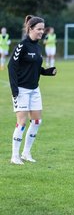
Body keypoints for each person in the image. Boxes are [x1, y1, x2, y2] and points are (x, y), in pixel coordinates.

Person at [8, 15, 57, 165]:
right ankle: (15, 156)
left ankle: (26, 153)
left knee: (36, 121)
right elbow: (12, 67)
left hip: (35, 90)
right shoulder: (22, 46)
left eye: (43, 29)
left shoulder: (38, 46)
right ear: (30, 28)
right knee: (21, 122)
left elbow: (35, 67)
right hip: (21, 90)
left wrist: (47, 72)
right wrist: (14, 90)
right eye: (39, 29)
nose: (42, 32)